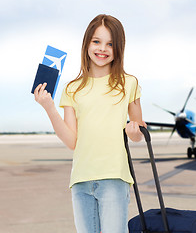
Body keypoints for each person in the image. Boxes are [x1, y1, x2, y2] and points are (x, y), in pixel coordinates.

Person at [34, 14, 146, 233]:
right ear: (86, 43)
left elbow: (138, 129)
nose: (102, 48)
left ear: (119, 48)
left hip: (114, 177)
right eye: (96, 41)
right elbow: (72, 141)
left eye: (110, 44)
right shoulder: (71, 88)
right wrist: (49, 107)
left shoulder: (129, 83)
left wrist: (134, 132)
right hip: (81, 180)